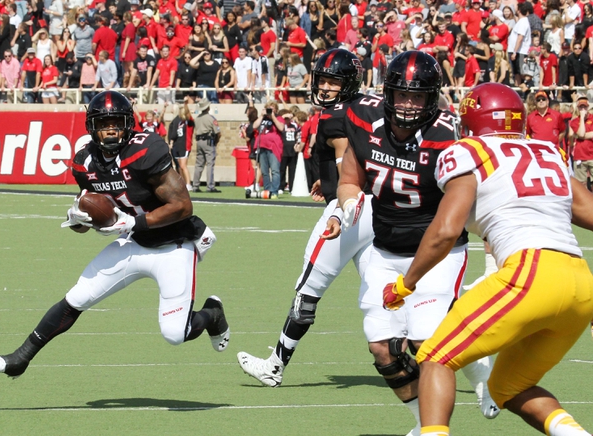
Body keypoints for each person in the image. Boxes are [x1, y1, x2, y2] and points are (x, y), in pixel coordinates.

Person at [384, 82, 593, 436]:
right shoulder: (546, 150)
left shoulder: (469, 151)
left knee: (436, 357)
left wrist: (407, 282)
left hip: (528, 273)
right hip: (581, 285)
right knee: (508, 388)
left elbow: (446, 230)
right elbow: (587, 208)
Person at [0, 90, 230, 379]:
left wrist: (131, 224)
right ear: (92, 127)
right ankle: (21, 358)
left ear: (129, 124)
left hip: (173, 245)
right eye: (104, 124)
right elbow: (88, 214)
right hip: (134, 244)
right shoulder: (85, 162)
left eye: (116, 123)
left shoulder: (145, 149)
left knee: (175, 333)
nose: (110, 129)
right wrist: (76, 217)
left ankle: (211, 314)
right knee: (77, 297)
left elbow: (183, 206)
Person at [336, 51, 498, 436]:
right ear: (388, 93)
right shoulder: (363, 118)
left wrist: (492, 251)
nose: (409, 105)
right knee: (382, 349)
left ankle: (472, 384)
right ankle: (421, 423)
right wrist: (346, 205)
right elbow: (348, 178)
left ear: (432, 98)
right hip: (383, 250)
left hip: (440, 251)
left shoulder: (449, 137)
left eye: (418, 97)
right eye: (402, 95)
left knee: (426, 343)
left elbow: (479, 201)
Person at [237, 49, 375, 390]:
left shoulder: (335, 117)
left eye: (333, 81)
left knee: (308, 291)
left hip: (349, 211)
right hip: (378, 210)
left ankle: (275, 365)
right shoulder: (369, 107)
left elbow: (347, 160)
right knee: (383, 296)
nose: (326, 88)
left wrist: (342, 201)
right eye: (323, 80)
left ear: (350, 83)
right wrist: (326, 180)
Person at [192, 98, 222, 193]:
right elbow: (218, 132)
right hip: (209, 142)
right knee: (210, 164)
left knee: (198, 164)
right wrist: (216, 142)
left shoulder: (197, 118)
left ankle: (195, 185)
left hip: (199, 141)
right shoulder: (211, 118)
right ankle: (210, 186)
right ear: (208, 107)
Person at [168, 102, 195, 191]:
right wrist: (171, 142)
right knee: (178, 166)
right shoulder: (176, 120)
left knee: (183, 166)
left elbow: (189, 116)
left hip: (184, 145)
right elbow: (173, 133)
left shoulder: (188, 121)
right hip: (177, 145)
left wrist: (186, 103)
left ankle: (188, 184)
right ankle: (182, 183)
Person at [570, 95, 593, 191]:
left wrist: (581, 136)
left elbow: (581, 135)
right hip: (580, 156)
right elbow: (581, 133)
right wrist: (582, 118)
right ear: (578, 108)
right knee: (581, 185)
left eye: (584, 107)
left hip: (592, 155)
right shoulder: (574, 121)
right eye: (581, 107)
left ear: (588, 107)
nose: (583, 109)